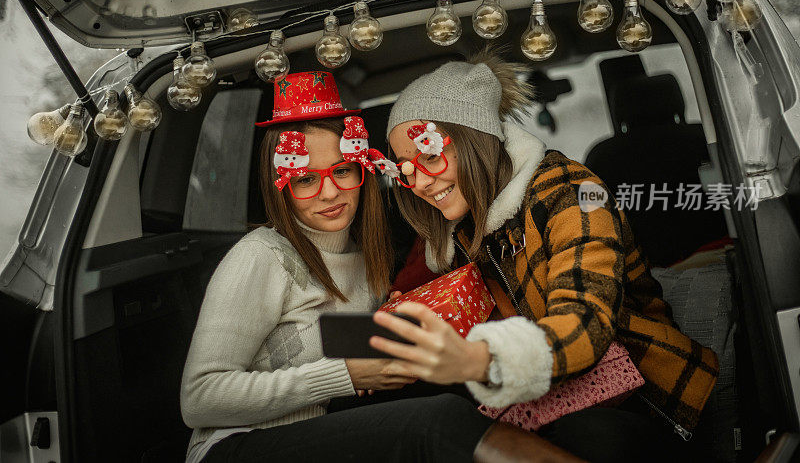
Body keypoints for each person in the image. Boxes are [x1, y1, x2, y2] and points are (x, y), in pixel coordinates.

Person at [180, 71, 582, 463]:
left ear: (362, 170)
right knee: (434, 422)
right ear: (278, 185)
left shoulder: (367, 259)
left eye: (342, 171)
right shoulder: (261, 255)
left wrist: (388, 333)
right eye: (305, 180)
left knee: (458, 397)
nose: (330, 192)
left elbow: (331, 348)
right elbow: (198, 400)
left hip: (329, 429)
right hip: (237, 447)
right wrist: (348, 376)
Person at [370, 49, 720, 462]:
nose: (421, 183)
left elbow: (585, 324)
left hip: (648, 399)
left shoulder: (574, 193)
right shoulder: (456, 229)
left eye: (431, 156)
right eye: (405, 168)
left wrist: (480, 360)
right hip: (546, 403)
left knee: (580, 437)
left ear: (478, 140)